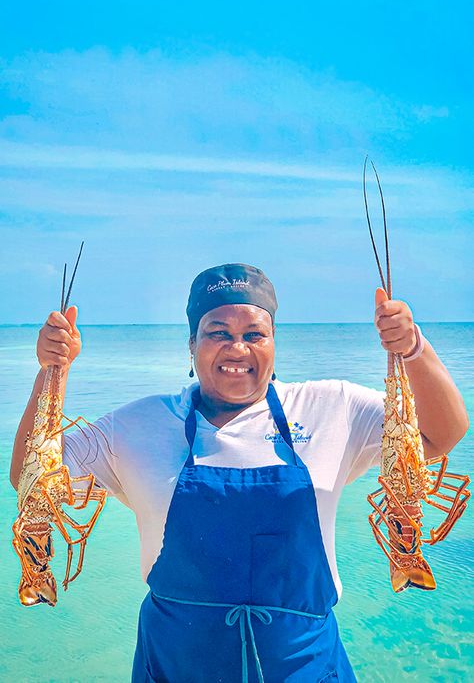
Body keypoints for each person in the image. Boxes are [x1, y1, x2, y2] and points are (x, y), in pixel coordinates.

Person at [10, 263, 469, 682]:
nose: (237, 348)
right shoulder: (137, 425)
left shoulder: (333, 408)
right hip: (176, 663)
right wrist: (52, 373)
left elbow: (441, 434)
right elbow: (31, 477)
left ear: (274, 344)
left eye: (255, 334)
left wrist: (412, 349)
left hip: (303, 664)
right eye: (217, 332)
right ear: (191, 344)